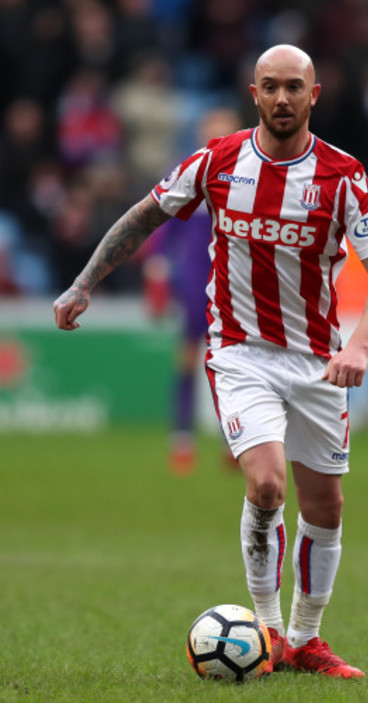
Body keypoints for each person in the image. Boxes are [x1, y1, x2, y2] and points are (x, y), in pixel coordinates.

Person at [53, 44, 368, 678]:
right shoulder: (217, 161)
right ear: (254, 93)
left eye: (294, 86)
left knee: (325, 505)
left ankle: (306, 639)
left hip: (319, 358)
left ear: (314, 95)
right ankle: (268, 630)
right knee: (267, 484)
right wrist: (83, 283)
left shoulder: (343, 175)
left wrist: (358, 346)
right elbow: (144, 215)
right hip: (240, 352)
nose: (282, 98)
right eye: (270, 86)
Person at [142, 107, 243, 474]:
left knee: (233, 369)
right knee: (187, 361)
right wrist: (157, 277)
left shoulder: (250, 178)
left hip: (235, 290)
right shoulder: (189, 175)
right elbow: (163, 234)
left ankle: (232, 441)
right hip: (194, 287)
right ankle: (182, 440)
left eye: (224, 129)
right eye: (212, 129)